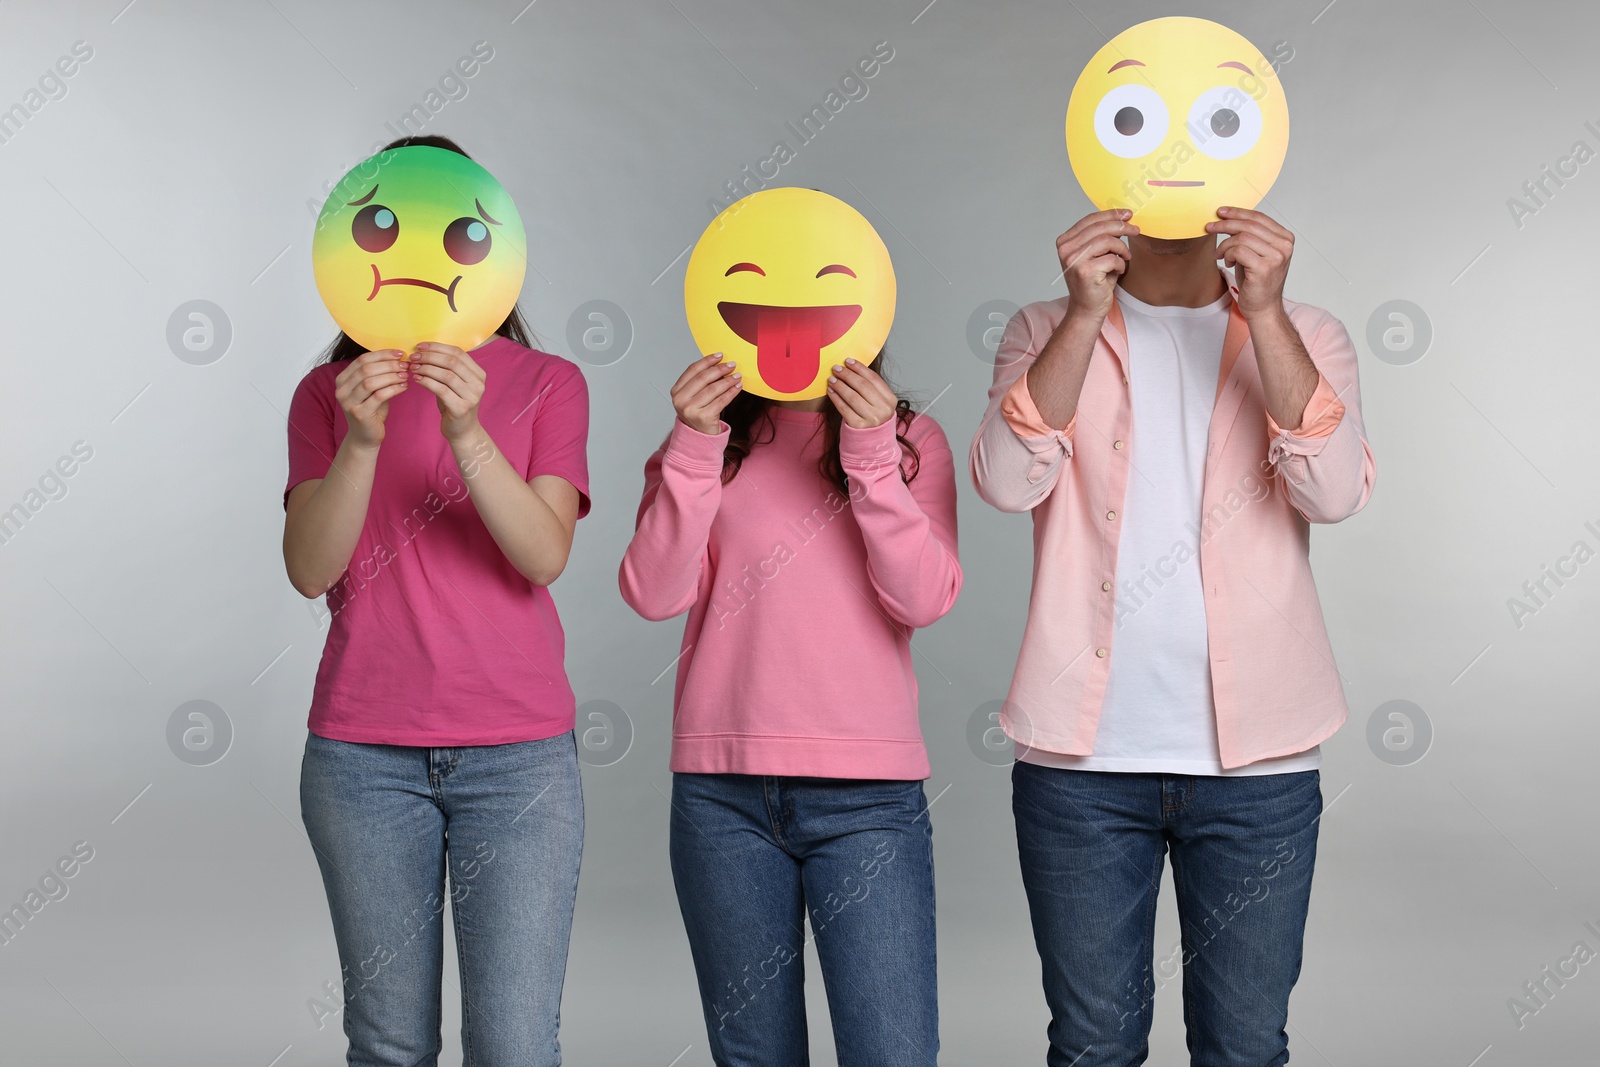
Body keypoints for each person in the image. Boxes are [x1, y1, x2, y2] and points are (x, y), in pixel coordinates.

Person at [970, 206, 1375, 1066]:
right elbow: (1007, 482)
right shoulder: (1043, 328)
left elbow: (1333, 493)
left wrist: (1264, 313)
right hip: (1080, 776)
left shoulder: (1308, 332)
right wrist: (1084, 314)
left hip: (1258, 773)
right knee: (1091, 1046)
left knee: (1244, 1047)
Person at [282, 135, 589, 1066]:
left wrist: (466, 428)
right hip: (362, 760)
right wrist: (363, 445)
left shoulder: (548, 384)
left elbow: (542, 553)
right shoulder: (326, 397)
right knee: (387, 1043)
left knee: (514, 1044)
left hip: (521, 761)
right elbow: (308, 567)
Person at [619, 348, 961, 1066]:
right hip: (722, 797)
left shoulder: (911, 441)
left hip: (867, 797)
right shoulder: (708, 439)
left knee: (891, 1053)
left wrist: (869, 454)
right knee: (755, 1056)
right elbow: (653, 592)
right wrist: (692, 442)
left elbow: (923, 598)